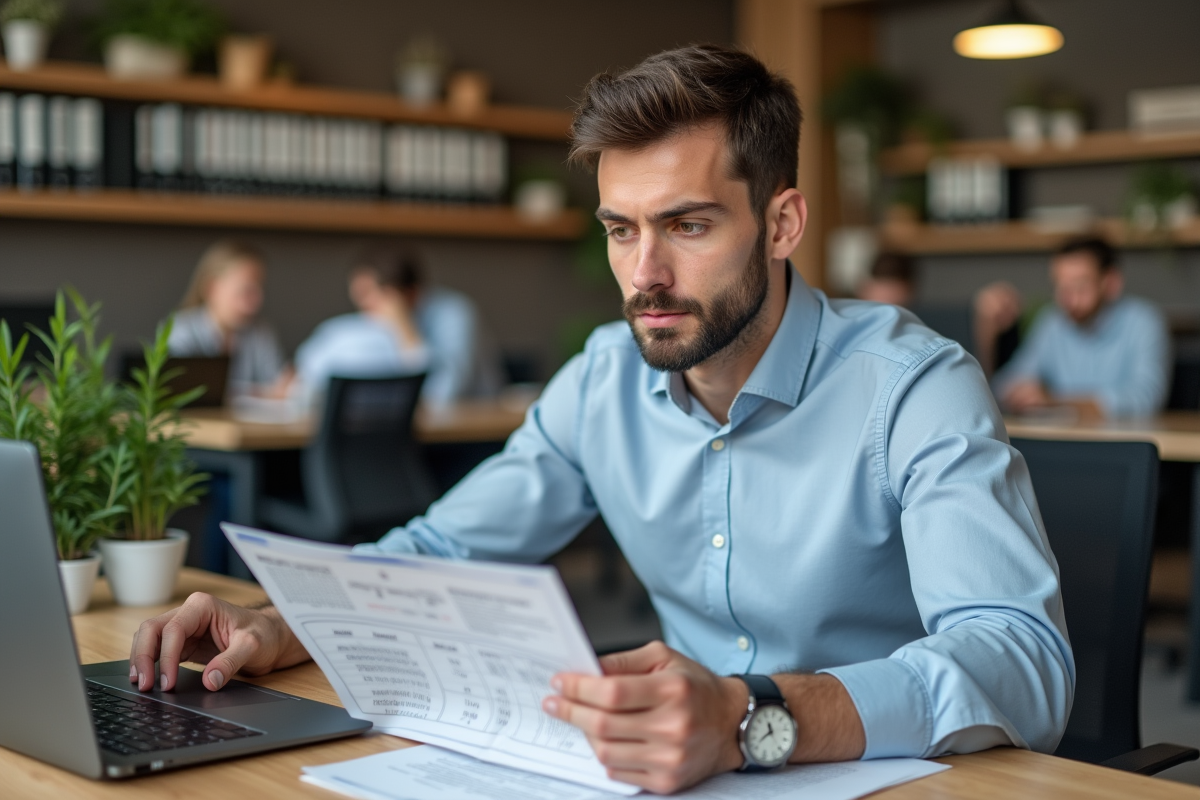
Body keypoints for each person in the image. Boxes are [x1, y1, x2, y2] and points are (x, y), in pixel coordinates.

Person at [128, 45, 1072, 795]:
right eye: (622, 229)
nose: (645, 276)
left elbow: (1023, 662)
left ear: (782, 225)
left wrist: (750, 720)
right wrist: (289, 622)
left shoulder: (914, 386)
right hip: (674, 778)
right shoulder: (602, 381)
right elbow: (445, 549)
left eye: (688, 226)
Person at [291, 250, 502, 407]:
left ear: (411, 294)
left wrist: (404, 327)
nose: (365, 311)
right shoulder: (366, 327)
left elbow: (444, 393)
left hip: (468, 435)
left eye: (372, 299)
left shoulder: (455, 313)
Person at [993, 236, 1170, 419]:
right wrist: (1020, 392)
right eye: (1061, 287)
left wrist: (1056, 401)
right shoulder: (1052, 321)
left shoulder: (1144, 321)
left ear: (1111, 283)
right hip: (1063, 442)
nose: (1068, 299)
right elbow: (1006, 383)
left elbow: (1146, 398)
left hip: (1123, 443)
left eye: (1080, 286)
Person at [169, 240, 287, 397]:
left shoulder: (261, 331)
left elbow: (282, 387)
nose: (257, 302)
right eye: (246, 291)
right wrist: (260, 392)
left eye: (259, 290)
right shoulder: (179, 329)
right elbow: (180, 388)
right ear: (212, 288)